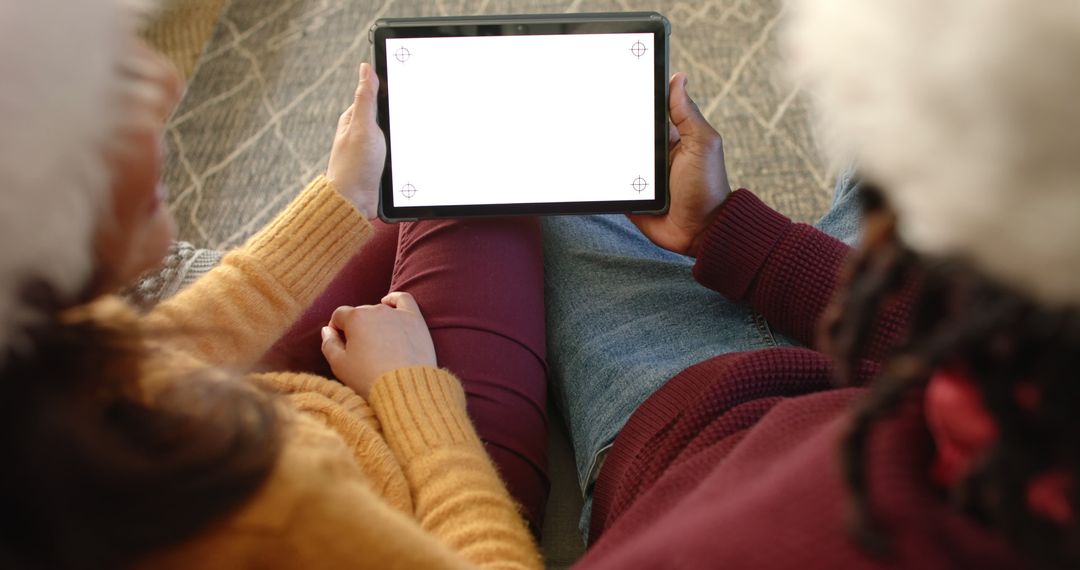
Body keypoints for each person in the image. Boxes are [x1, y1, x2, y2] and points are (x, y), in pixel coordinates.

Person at [0, 0, 545, 567]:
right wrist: (408, 389)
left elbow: (156, 358)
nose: (165, 80)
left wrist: (342, 198)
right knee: (475, 187)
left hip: (291, 406)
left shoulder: (41, 363)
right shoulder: (273, 513)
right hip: (426, 497)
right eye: (110, 86)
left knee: (425, 177)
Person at [543, 0, 1080, 567]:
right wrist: (729, 234)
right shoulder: (1019, 350)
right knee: (964, 94)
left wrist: (436, 413)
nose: (792, 55)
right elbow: (968, 336)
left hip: (683, 406)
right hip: (875, 345)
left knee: (539, 174)